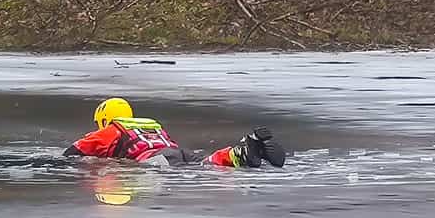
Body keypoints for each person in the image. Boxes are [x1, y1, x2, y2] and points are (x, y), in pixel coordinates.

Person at [64, 97, 287, 168]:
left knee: (197, 170)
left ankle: (242, 153)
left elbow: (73, 152)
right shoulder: (152, 124)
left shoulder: (111, 130)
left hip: (154, 159)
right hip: (175, 150)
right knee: (205, 161)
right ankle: (240, 152)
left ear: (105, 119)